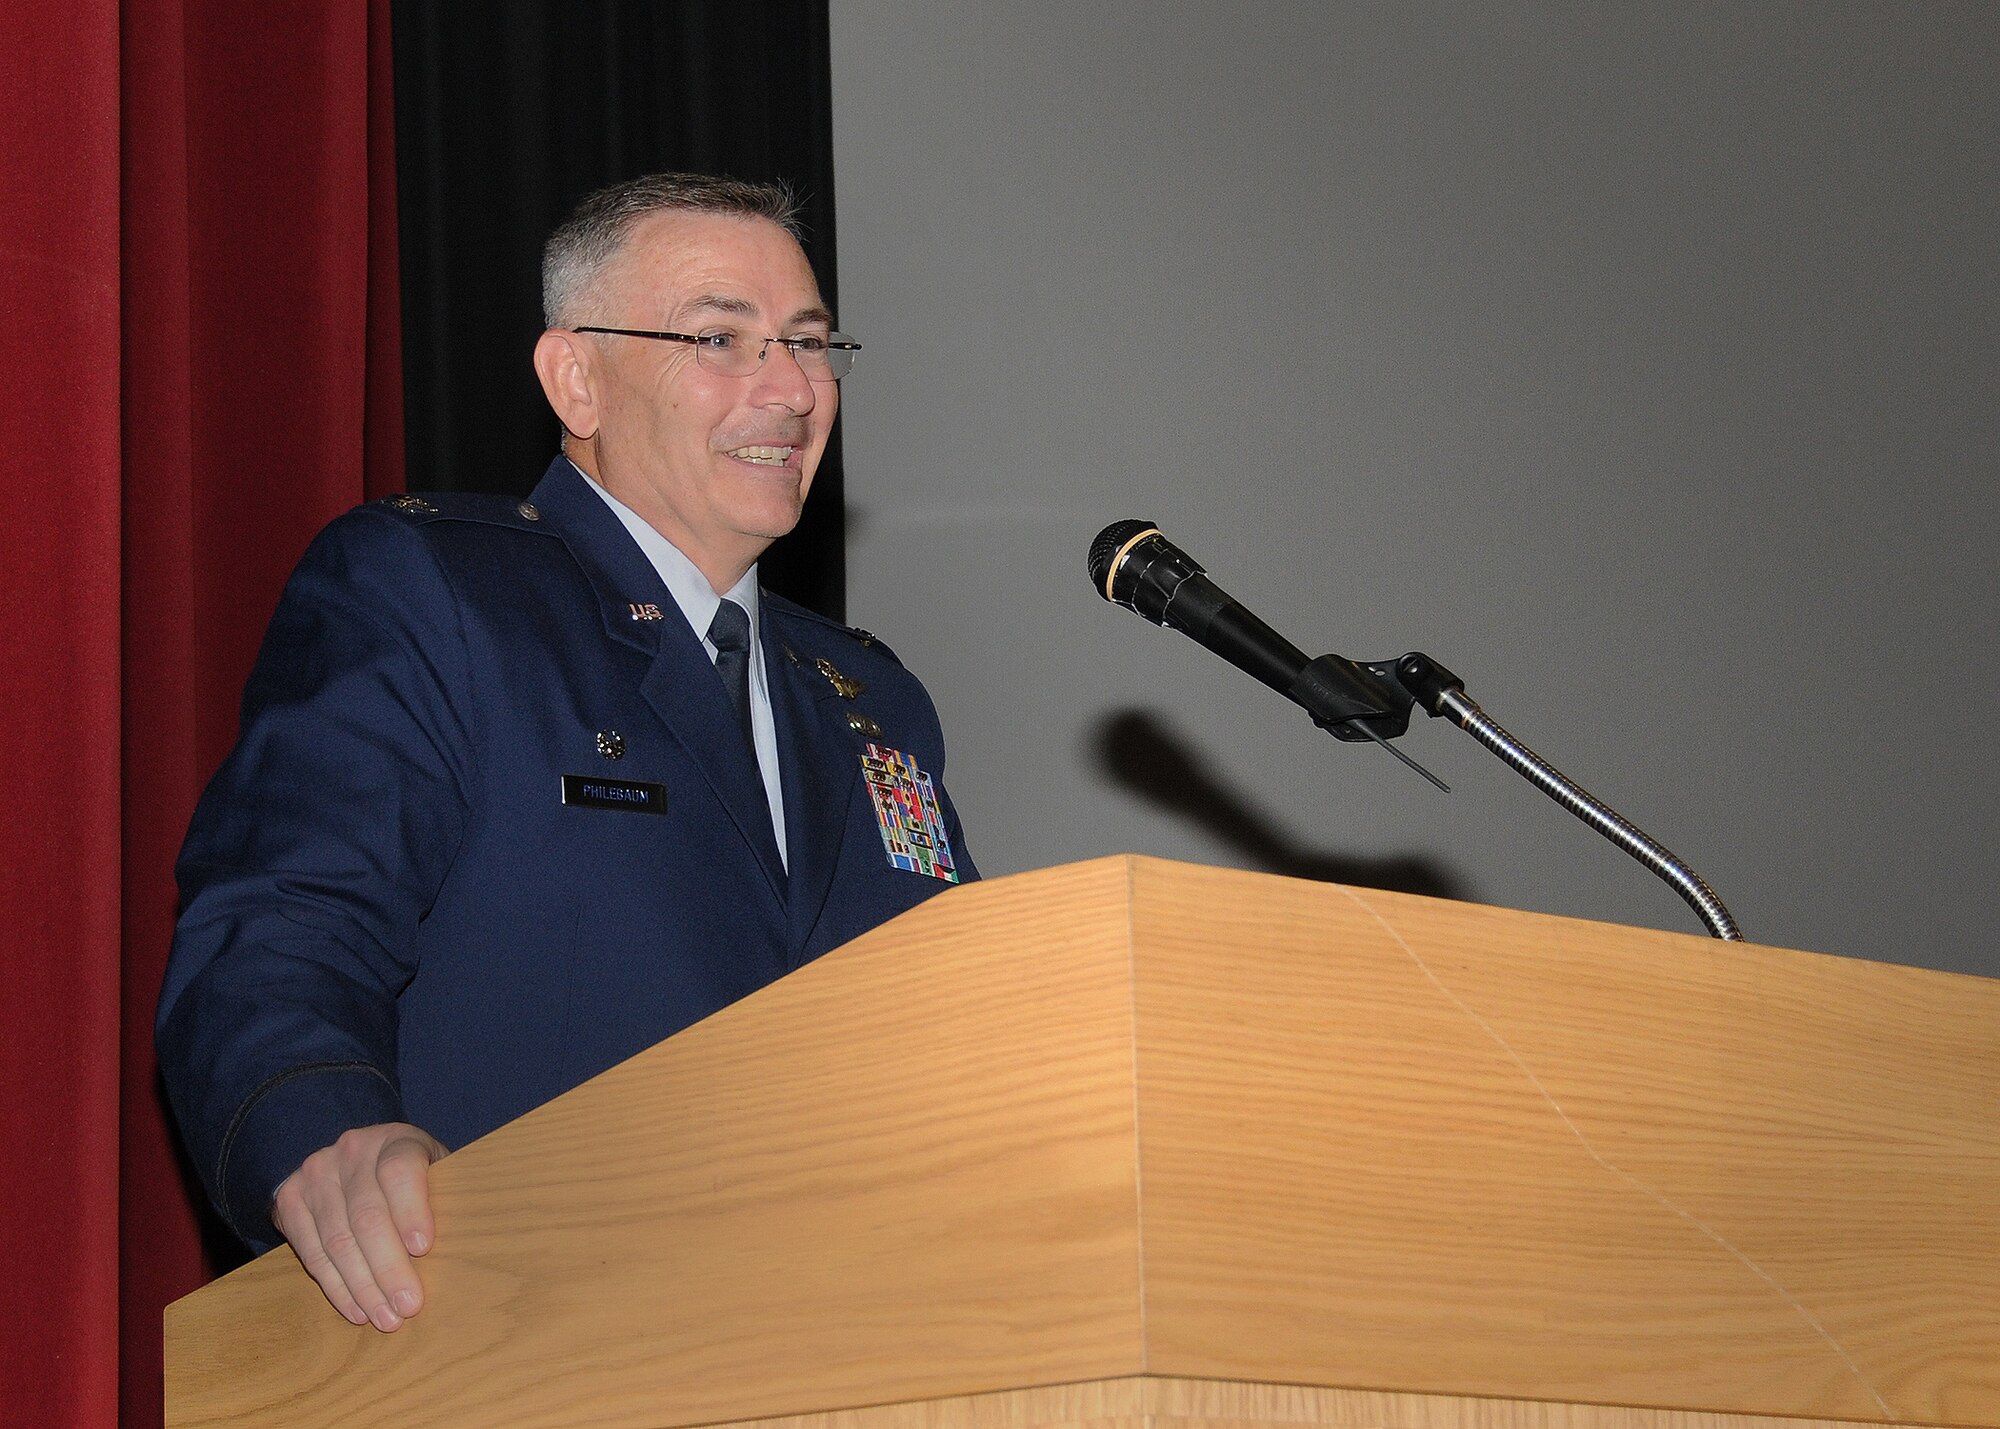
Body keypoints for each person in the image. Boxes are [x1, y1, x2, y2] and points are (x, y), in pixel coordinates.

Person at [156, 173, 975, 1335]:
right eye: (719, 338)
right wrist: (322, 1125)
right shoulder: (441, 591)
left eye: (806, 341)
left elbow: (963, 1019)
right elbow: (287, 920)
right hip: (518, 1332)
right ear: (574, 378)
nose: (791, 388)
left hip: (853, 1336)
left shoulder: (871, 699)